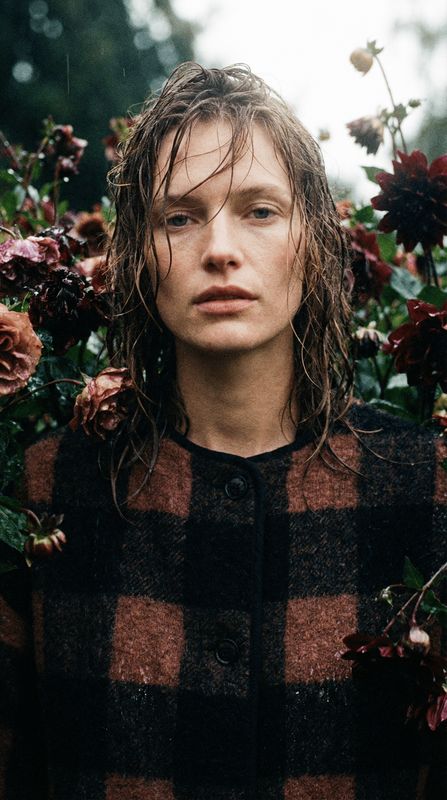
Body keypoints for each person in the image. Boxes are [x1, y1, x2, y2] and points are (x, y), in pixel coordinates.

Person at [0, 62, 446, 800]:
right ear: (141, 252)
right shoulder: (49, 489)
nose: (219, 249)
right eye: (180, 216)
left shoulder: (423, 489)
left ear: (312, 240)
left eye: (259, 211)